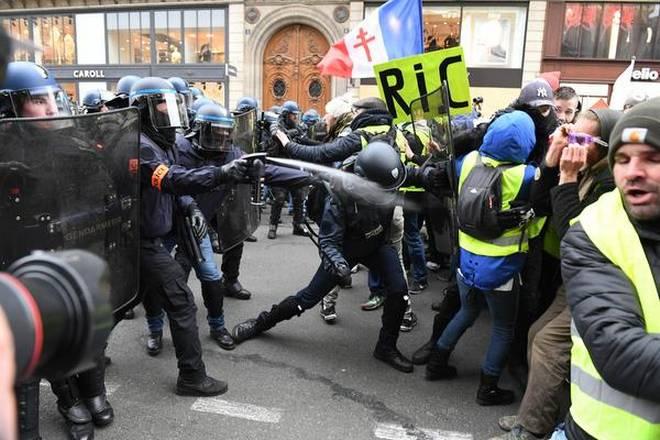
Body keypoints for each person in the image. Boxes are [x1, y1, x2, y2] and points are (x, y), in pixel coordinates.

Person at [231, 141, 441, 372]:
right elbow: (328, 241)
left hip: (377, 245)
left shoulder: (384, 175)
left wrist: (431, 175)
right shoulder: (339, 196)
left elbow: (409, 175)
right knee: (305, 300)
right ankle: (259, 324)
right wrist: (339, 264)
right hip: (345, 252)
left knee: (399, 292)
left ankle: (386, 347)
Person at [0, 61, 112, 440]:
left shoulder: (73, 143)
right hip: (20, 258)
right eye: (37, 101)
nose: (50, 109)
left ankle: (93, 391)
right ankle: (68, 401)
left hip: (71, 248)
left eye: (52, 99)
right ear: (12, 106)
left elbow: (102, 196)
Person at [495, 108, 622, 440]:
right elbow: (539, 203)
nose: (572, 144)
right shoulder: (585, 166)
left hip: (599, 284)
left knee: (548, 347)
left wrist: (567, 177)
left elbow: (574, 236)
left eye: (582, 139)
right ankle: (540, 413)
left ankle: (532, 428)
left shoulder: (609, 182)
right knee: (537, 334)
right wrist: (552, 162)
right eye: (570, 134)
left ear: (607, 146)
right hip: (575, 280)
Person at [131, 76, 250, 396]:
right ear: (142, 110)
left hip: (155, 235)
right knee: (179, 300)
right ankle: (191, 376)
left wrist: (191, 208)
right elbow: (170, 179)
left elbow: (176, 186)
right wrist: (219, 175)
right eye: (162, 106)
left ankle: (83, 375)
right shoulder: (141, 145)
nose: (170, 114)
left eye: (174, 106)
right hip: (142, 240)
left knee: (120, 305)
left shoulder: (162, 143)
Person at [425, 111, 546, 406]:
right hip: (502, 268)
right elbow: (540, 214)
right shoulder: (527, 176)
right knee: (504, 327)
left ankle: (436, 363)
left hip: (467, 262)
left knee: (466, 312)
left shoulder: (467, 163)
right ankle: (488, 387)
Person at [559, 98, 660, 440]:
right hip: (602, 431)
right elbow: (565, 228)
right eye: (623, 159)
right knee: (541, 343)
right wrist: (559, 175)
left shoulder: (604, 179)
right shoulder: (598, 224)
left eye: (653, 158)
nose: (633, 172)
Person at [266, 100, 309, 239]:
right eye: (293, 115)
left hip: (294, 166)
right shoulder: (275, 124)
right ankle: (273, 226)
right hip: (279, 166)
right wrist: (296, 131)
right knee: (279, 198)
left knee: (299, 197)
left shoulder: (296, 126)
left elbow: (303, 142)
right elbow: (278, 136)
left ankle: (298, 226)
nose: (295, 118)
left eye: (296, 115)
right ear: (285, 115)